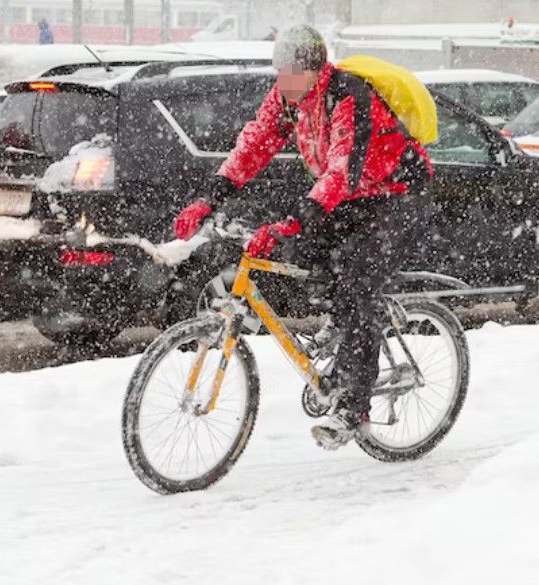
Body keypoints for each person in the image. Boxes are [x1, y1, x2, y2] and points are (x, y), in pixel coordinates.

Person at [173, 24, 433, 451]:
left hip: (397, 195)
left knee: (356, 284)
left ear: (316, 71)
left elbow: (342, 170)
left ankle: (354, 408)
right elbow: (253, 146)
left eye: (292, 72)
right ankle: (342, 324)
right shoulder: (287, 100)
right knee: (306, 255)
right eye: (279, 71)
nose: (283, 81)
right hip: (350, 195)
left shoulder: (348, 95)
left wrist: (293, 220)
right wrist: (209, 199)